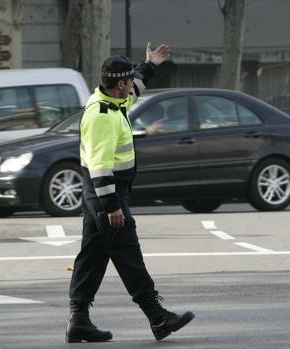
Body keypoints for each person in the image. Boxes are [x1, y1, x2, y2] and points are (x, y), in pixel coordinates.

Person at [66, 43, 195, 343]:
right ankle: (157, 316)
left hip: (97, 194)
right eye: (129, 81)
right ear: (119, 83)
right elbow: (99, 166)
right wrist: (112, 206)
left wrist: (150, 64)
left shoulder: (109, 100)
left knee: (91, 258)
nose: (131, 87)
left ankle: (79, 320)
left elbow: (134, 91)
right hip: (106, 194)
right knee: (127, 253)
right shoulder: (102, 116)